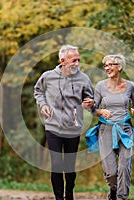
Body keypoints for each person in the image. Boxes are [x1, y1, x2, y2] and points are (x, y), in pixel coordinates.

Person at [34, 44, 94, 200]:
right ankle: (59, 198)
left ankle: (69, 194)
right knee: (56, 165)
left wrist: (89, 104)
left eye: (78, 60)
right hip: (52, 126)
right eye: (74, 60)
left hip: (72, 128)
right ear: (63, 60)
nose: (77, 63)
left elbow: (90, 99)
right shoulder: (48, 76)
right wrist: (43, 104)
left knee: (69, 167)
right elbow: (38, 91)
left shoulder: (83, 78)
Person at [88, 54, 134, 200]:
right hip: (106, 130)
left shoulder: (130, 85)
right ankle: (113, 189)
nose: (107, 68)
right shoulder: (100, 86)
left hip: (125, 130)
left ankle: (121, 197)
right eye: (105, 65)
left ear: (120, 67)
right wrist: (99, 111)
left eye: (110, 65)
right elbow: (93, 109)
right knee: (111, 172)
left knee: (125, 167)